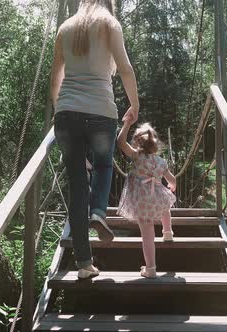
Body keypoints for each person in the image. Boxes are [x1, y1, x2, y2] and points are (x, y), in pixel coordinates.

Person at [50, 0, 139, 279]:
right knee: (103, 166)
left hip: (66, 115)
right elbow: (125, 68)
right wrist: (134, 104)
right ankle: (99, 211)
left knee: (77, 184)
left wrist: (58, 109)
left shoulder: (65, 28)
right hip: (101, 112)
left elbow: (56, 76)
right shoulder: (109, 24)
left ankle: (84, 264)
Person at [116, 120, 177, 279]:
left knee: (147, 235)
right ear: (155, 145)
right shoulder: (161, 162)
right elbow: (172, 179)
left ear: (137, 142)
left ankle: (150, 268)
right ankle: (168, 232)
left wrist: (127, 124)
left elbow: (120, 142)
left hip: (141, 200)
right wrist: (172, 186)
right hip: (156, 194)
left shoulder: (136, 156)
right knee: (165, 202)